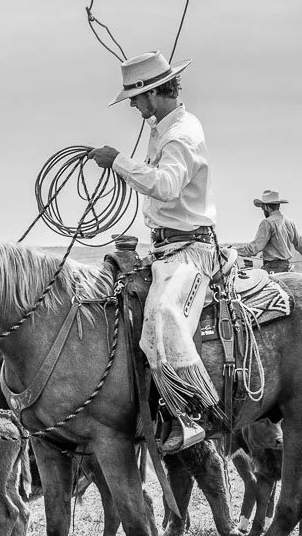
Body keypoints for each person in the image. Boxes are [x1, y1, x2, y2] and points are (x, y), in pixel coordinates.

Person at [87, 51, 217, 454]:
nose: (132, 104)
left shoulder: (181, 135)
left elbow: (165, 186)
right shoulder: (163, 127)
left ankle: (192, 414)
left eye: (135, 97)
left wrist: (118, 163)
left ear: (154, 93)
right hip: (165, 246)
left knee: (163, 315)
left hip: (190, 250)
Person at [233, 190, 302, 273]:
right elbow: (299, 242)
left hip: (272, 269)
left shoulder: (267, 223)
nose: (262, 209)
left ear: (266, 207)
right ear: (278, 205)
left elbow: (254, 248)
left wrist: (234, 251)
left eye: (262, 207)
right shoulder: (289, 222)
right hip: (287, 268)